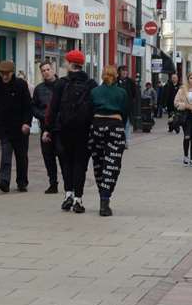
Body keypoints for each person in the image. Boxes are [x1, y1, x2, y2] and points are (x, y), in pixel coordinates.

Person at [47, 50, 96, 213]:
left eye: (66, 62)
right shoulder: (91, 84)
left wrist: (48, 129)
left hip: (63, 131)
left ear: (70, 63)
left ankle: (68, 194)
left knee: (65, 163)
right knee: (80, 165)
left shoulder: (61, 83)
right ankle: (78, 199)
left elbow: (52, 109)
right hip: (84, 131)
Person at [0, 60, 33, 193]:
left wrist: (27, 123)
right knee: (6, 154)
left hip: (20, 127)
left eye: (7, 74)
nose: (4, 76)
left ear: (12, 73)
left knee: (21, 156)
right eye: (2, 73)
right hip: (4, 126)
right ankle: (4, 181)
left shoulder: (21, 85)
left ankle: (22, 182)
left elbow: (28, 106)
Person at [89, 65, 130, 216]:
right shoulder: (121, 92)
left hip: (97, 126)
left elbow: (89, 110)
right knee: (112, 164)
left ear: (102, 75)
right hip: (115, 126)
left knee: (99, 162)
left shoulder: (94, 92)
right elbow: (125, 112)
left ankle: (102, 194)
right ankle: (105, 200)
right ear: (116, 76)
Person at [32, 60, 62, 194]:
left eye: (48, 69)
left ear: (53, 70)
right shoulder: (39, 89)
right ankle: (53, 183)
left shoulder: (63, 86)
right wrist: (43, 116)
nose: (46, 72)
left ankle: (68, 183)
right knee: (48, 157)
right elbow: (33, 107)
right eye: (43, 71)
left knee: (63, 156)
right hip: (45, 128)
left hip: (60, 128)